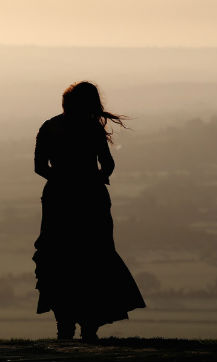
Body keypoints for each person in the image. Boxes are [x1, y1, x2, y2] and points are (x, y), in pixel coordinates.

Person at [33, 81, 145, 341]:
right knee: (95, 259)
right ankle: (89, 328)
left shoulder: (49, 127)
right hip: (91, 199)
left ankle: (64, 327)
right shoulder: (92, 128)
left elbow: (40, 166)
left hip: (58, 200)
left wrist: (61, 179)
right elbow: (107, 164)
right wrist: (94, 179)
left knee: (58, 259)